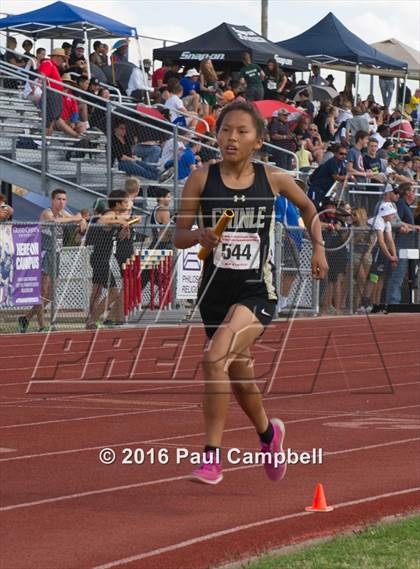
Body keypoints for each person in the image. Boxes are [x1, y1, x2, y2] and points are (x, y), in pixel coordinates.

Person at [173, 100, 328, 484]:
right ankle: (268, 434)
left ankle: (211, 457)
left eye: (242, 132)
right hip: (214, 293)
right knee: (239, 378)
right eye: (225, 130)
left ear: (258, 141)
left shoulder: (272, 178)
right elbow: (179, 236)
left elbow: (309, 208)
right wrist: (199, 236)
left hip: (258, 291)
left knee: (213, 360)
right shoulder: (200, 179)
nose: (231, 138)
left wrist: (320, 246)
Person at [18, 189, 86, 332]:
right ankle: (42, 325)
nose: (61, 202)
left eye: (64, 200)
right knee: (43, 290)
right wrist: (76, 218)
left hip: (57, 253)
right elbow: (55, 221)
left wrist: (82, 221)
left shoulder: (63, 214)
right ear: (52, 200)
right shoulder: (46, 212)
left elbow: (77, 218)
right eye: (59, 199)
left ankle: (26, 317)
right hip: (45, 252)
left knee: (51, 293)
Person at [358, 202, 398, 311]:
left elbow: (390, 240)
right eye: (391, 213)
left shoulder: (387, 223)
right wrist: (390, 257)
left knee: (373, 277)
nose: (393, 215)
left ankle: (365, 302)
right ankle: (357, 304)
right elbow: (381, 241)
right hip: (362, 251)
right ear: (385, 214)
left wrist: (394, 256)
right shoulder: (379, 221)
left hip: (371, 252)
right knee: (362, 278)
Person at [386, 184, 419, 304]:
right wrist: (413, 227)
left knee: (400, 275)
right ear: (407, 192)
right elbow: (397, 222)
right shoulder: (400, 204)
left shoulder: (406, 206)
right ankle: (393, 302)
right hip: (400, 244)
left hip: (406, 245)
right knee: (397, 275)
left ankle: (395, 300)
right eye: (412, 190)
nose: (414, 193)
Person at [37, 48, 68, 137]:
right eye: (61, 58)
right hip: (51, 95)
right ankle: (44, 141)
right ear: (56, 57)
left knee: (51, 121)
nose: (62, 60)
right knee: (49, 121)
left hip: (54, 95)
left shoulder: (52, 65)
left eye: (62, 58)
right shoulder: (48, 63)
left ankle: (46, 141)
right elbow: (42, 76)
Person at [307, 144, 348, 209]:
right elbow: (336, 177)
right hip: (317, 189)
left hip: (326, 192)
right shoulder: (332, 162)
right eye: (341, 154)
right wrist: (349, 177)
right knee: (314, 209)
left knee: (325, 211)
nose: (344, 156)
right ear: (335, 153)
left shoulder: (342, 164)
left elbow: (342, 177)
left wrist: (344, 181)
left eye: (345, 154)